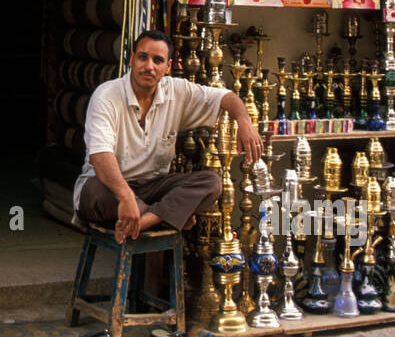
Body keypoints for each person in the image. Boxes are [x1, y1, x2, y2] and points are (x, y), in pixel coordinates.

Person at [76, 30, 263, 243]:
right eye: (142, 57)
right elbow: (100, 158)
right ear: (131, 59)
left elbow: (226, 97)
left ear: (168, 67)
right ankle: (166, 216)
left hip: (153, 187)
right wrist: (126, 196)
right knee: (95, 191)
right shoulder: (107, 96)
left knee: (211, 183)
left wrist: (244, 121)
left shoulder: (177, 90)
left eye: (158, 60)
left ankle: (145, 220)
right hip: (112, 189)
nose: (149, 66)